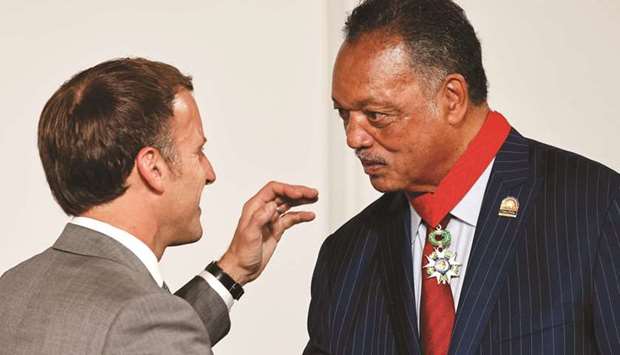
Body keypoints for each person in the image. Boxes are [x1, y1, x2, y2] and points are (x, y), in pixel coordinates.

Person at [304, 0, 620, 354]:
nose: (353, 138)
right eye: (344, 114)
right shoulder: (345, 257)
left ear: (452, 98)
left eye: (375, 114)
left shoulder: (597, 209)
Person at [0, 57, 318, 354]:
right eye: (198, 151)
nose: (209, 174)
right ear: (153, 168)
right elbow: (145, 331)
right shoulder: (145, 320)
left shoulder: (13, 289)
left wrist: (232, 269)